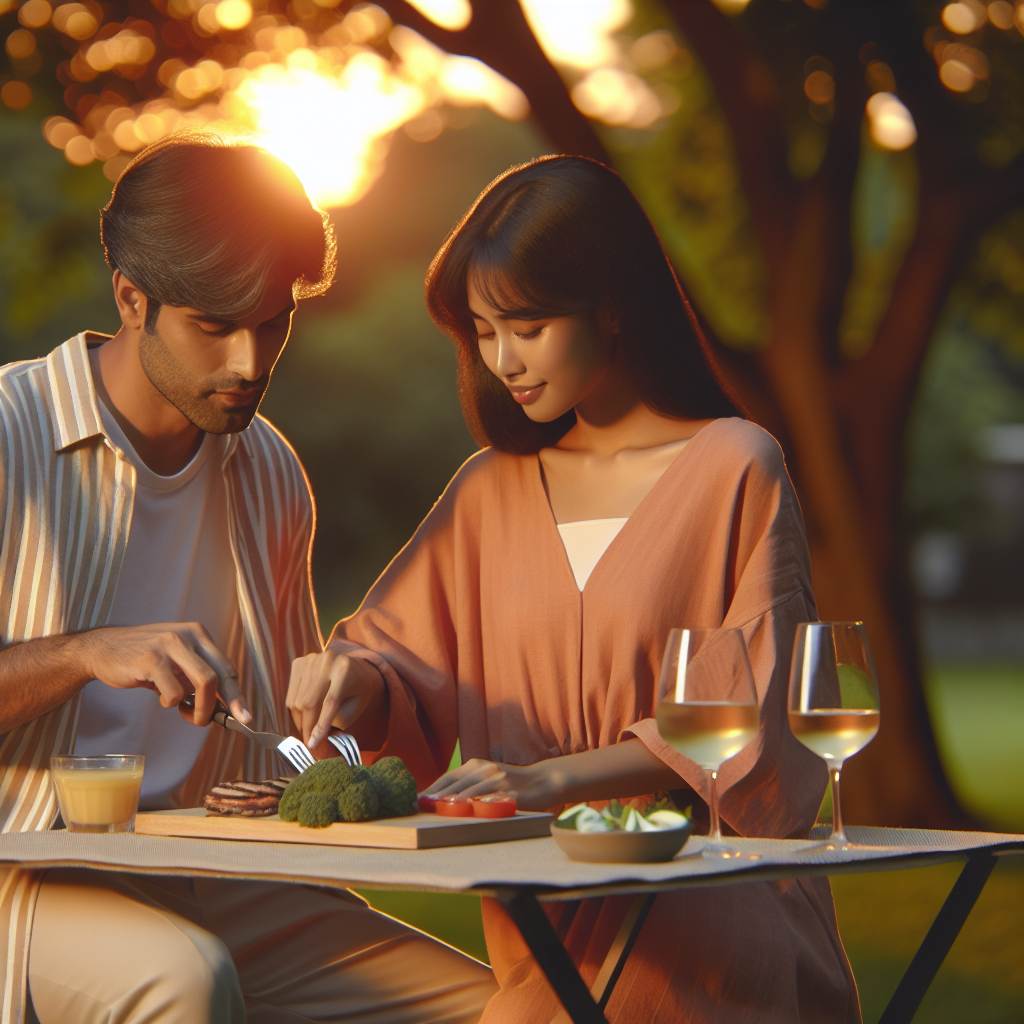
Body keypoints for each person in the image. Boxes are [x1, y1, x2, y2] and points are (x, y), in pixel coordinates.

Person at [286, 156, 862, 1022]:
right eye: (483, 330)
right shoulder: (488, 491)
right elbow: (396, 670)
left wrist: (551, 780)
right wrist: (353, 680)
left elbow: (747, 716)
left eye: (528, 323)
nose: (503, 360)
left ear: (614, 305)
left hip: (704, 906)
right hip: (545, 916)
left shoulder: (736, 466)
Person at [0, 134, 496, 1024]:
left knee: (500, 1008)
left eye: (273, 321)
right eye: (214, 326)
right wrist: (84, 654)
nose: (249, 363)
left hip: (216, 864)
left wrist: (349, 701)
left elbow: (293, 742)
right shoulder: (9, 436)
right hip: (25, 870)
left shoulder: (269, 471)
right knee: (181, 980)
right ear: (131, 299)